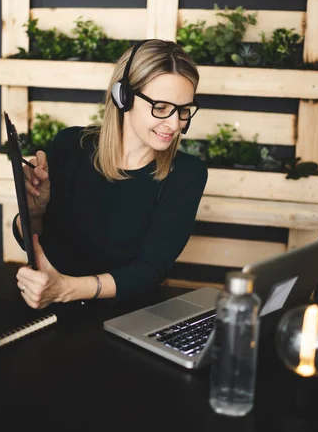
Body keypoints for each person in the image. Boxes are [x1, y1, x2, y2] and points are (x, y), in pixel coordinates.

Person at [13, 38, 208, 309]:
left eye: (184, 110)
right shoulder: (71, 145)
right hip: (48, 309)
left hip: (127, 318)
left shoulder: (187, 174)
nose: (175, 124)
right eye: (161, 108)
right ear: (123, 96)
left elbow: (151, 269)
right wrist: (34, 211)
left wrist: (67, 289)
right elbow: (32, 241)